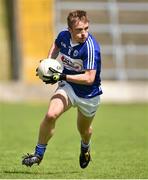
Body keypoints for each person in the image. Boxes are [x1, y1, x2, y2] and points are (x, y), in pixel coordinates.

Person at [22, 10, 103, 169]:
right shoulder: (63, 36)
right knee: (51, 114)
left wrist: (61, 76)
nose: (84, 33)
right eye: (79, 30)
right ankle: (38, 154)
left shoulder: (91, 48)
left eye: (86, 28)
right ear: (70, 29)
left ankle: (85, 147)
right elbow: (56, 45)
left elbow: (89, 78)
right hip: (69, 88)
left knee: (84, 130)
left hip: (88, 95)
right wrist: (47, 64)